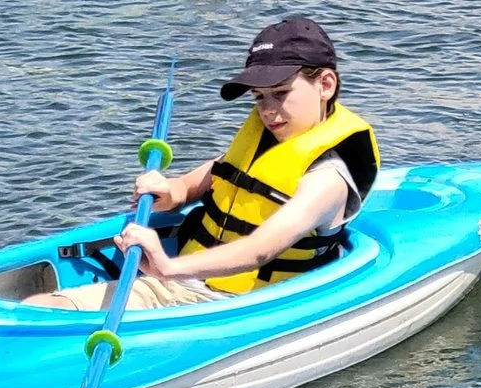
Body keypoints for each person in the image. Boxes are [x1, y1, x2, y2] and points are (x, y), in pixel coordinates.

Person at [29, 17, 379, 311]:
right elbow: (212, 176)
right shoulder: (269, 139)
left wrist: (168, 267)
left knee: (40, 309)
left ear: (326, 84)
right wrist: (173, 191)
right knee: (39, 305)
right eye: (259, 98)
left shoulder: (327, 179)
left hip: (227, 299)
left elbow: (260, 250)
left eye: (281, 93)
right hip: (190, 279)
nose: (268, 110)